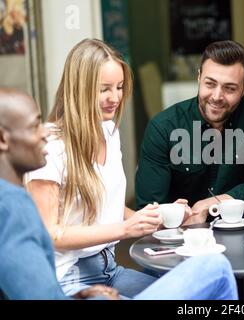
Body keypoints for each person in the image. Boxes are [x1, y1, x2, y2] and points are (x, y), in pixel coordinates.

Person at [0, 87, 238, 300]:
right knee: (214, 267)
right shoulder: (11, 207)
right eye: (34, 126)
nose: (45, 133)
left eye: (120, 87)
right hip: (74, 278)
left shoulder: (12, 200)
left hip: (104, 274)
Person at [24, 39, 192, 297]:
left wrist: (153, 217)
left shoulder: (108, 132)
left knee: (192, 292)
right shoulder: (52, 145)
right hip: (69, 279)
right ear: (79, 88)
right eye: (104, 89)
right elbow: (51, 234)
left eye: (120, 87)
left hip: (110, 268)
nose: (115, 98)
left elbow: (107, 206)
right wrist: (125, 229)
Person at [135, 40, 244, 225]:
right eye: (210, 84)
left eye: (229, 88)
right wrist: (177, 216)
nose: (217, 96)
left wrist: (213, 202)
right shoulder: (163, 126)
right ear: (199, 78)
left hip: (236, 222)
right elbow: (149, 206)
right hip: (182, 230)